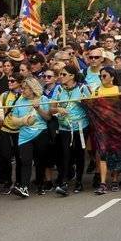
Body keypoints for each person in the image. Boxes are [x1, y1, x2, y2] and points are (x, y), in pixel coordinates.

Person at [49, 64, 91, 195]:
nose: (60, 77)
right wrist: (58, 109)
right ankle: (64, 182)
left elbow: (91, 107)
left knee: (79, 154)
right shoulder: (58, 89)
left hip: (80, 126)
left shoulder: (82, 88)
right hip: (64, 127)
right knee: (65, 155)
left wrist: (83, 102)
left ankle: (79, 182)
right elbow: (51, 109)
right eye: (60, 74)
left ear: (72, 76)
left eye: (63, 74)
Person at [10, 76, 52, 199]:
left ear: (32, 88)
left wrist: (38, 108)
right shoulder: (19, 101)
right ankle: (24, 187)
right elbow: (13, 120)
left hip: (40, 133)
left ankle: (40, 185)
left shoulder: (43, 99)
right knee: (25, 161)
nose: (21, 90)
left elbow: (48, 117)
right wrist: (24, 121)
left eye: (24, 88)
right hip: (24, 136)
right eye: (22, 88)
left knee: (40, 161)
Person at [92, 67, 121, 195]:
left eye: (104, 76)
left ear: (112, 77)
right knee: (103, 154)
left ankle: (115, 180)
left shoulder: (120, 90)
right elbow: (92, 107)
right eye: (100, 76)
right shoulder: (96, 91)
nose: (102, 78)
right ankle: (103, 183)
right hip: (101, 127)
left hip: (116, 128)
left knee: (115, 154)